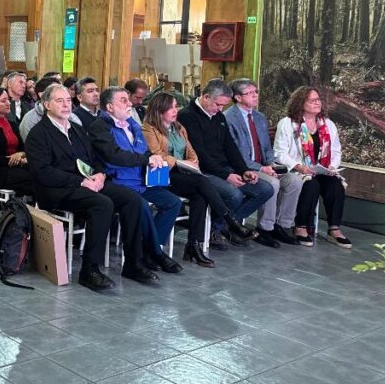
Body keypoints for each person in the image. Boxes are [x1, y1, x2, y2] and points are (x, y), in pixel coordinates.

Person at [25, 84, 160, 291]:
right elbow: (42, 171)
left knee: (131, 199)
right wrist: (81, 181)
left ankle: (133, 262)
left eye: (68, 101)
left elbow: (94, 158)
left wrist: (100, 174)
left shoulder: (77, 129)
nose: (65, 105)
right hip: (58, 189)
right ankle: (89, 269)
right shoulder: (39, 134)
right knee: (103, 204)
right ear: (46, 105)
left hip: (89, 182)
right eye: (59, 101)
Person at [142, 93, 255, 267]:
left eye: (176, 106)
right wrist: (180, 162)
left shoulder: (179, 127)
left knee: (200, 196)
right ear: (160, 109)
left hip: (184, 174)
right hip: (163, 174)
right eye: (171, 107)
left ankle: (193, 246)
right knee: (202, 183)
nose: (176, 110)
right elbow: (158, 155)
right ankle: (229, 220)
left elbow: (192, 151)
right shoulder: (148, 128)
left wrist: (192, 162)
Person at [87, 87, 183, 274]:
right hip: (117, 182)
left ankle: (150, 249)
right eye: (123, 100)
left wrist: (153, 157)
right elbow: (113, 156)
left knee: (173, 202)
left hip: (140, 180)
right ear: (110, 107)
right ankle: (156, 252)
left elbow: (143, 150)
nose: (130, 104)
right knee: (141, 206)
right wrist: (145, 159)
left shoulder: (132, 124)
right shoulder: (99, 127)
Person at [177, 79, 275, 248]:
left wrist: (243, 170)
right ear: (206, 97)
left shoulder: (218, 116)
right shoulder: (187, 116)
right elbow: (200, 153)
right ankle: (221, 228)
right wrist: (226, 175)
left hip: (224, 168)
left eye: (223, 106)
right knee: (233, 195)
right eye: (218, 104)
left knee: (265, 189)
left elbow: (230, 146)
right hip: (202, 170)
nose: (220, 109)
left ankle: (221, 226)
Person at [273, 86, 351, 248]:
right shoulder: (287, 124)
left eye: (318, 100)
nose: (317, 103)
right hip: (298, 170)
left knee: (336, 185)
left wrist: (331, 166)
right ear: (301, 103)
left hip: (322, 169)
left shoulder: (328, 124)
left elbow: (336, 151)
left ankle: (334, 229)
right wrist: (298, 166)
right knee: (311, 184)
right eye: (312, 100)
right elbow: (279, 153)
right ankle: (301, 227)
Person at [225, 78, 300, 246]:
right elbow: (235, 155)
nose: (255, 96)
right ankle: (265, 229)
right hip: (244, 168)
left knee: (294, 181)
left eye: (256, 92)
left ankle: (281, 225)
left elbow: (266, 146)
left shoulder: (259, 117)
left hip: (264, 166)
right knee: (272, 183)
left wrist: (272, 164)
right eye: (250, 93)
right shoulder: (229, 118)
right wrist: (262, 168)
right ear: (237, 97)